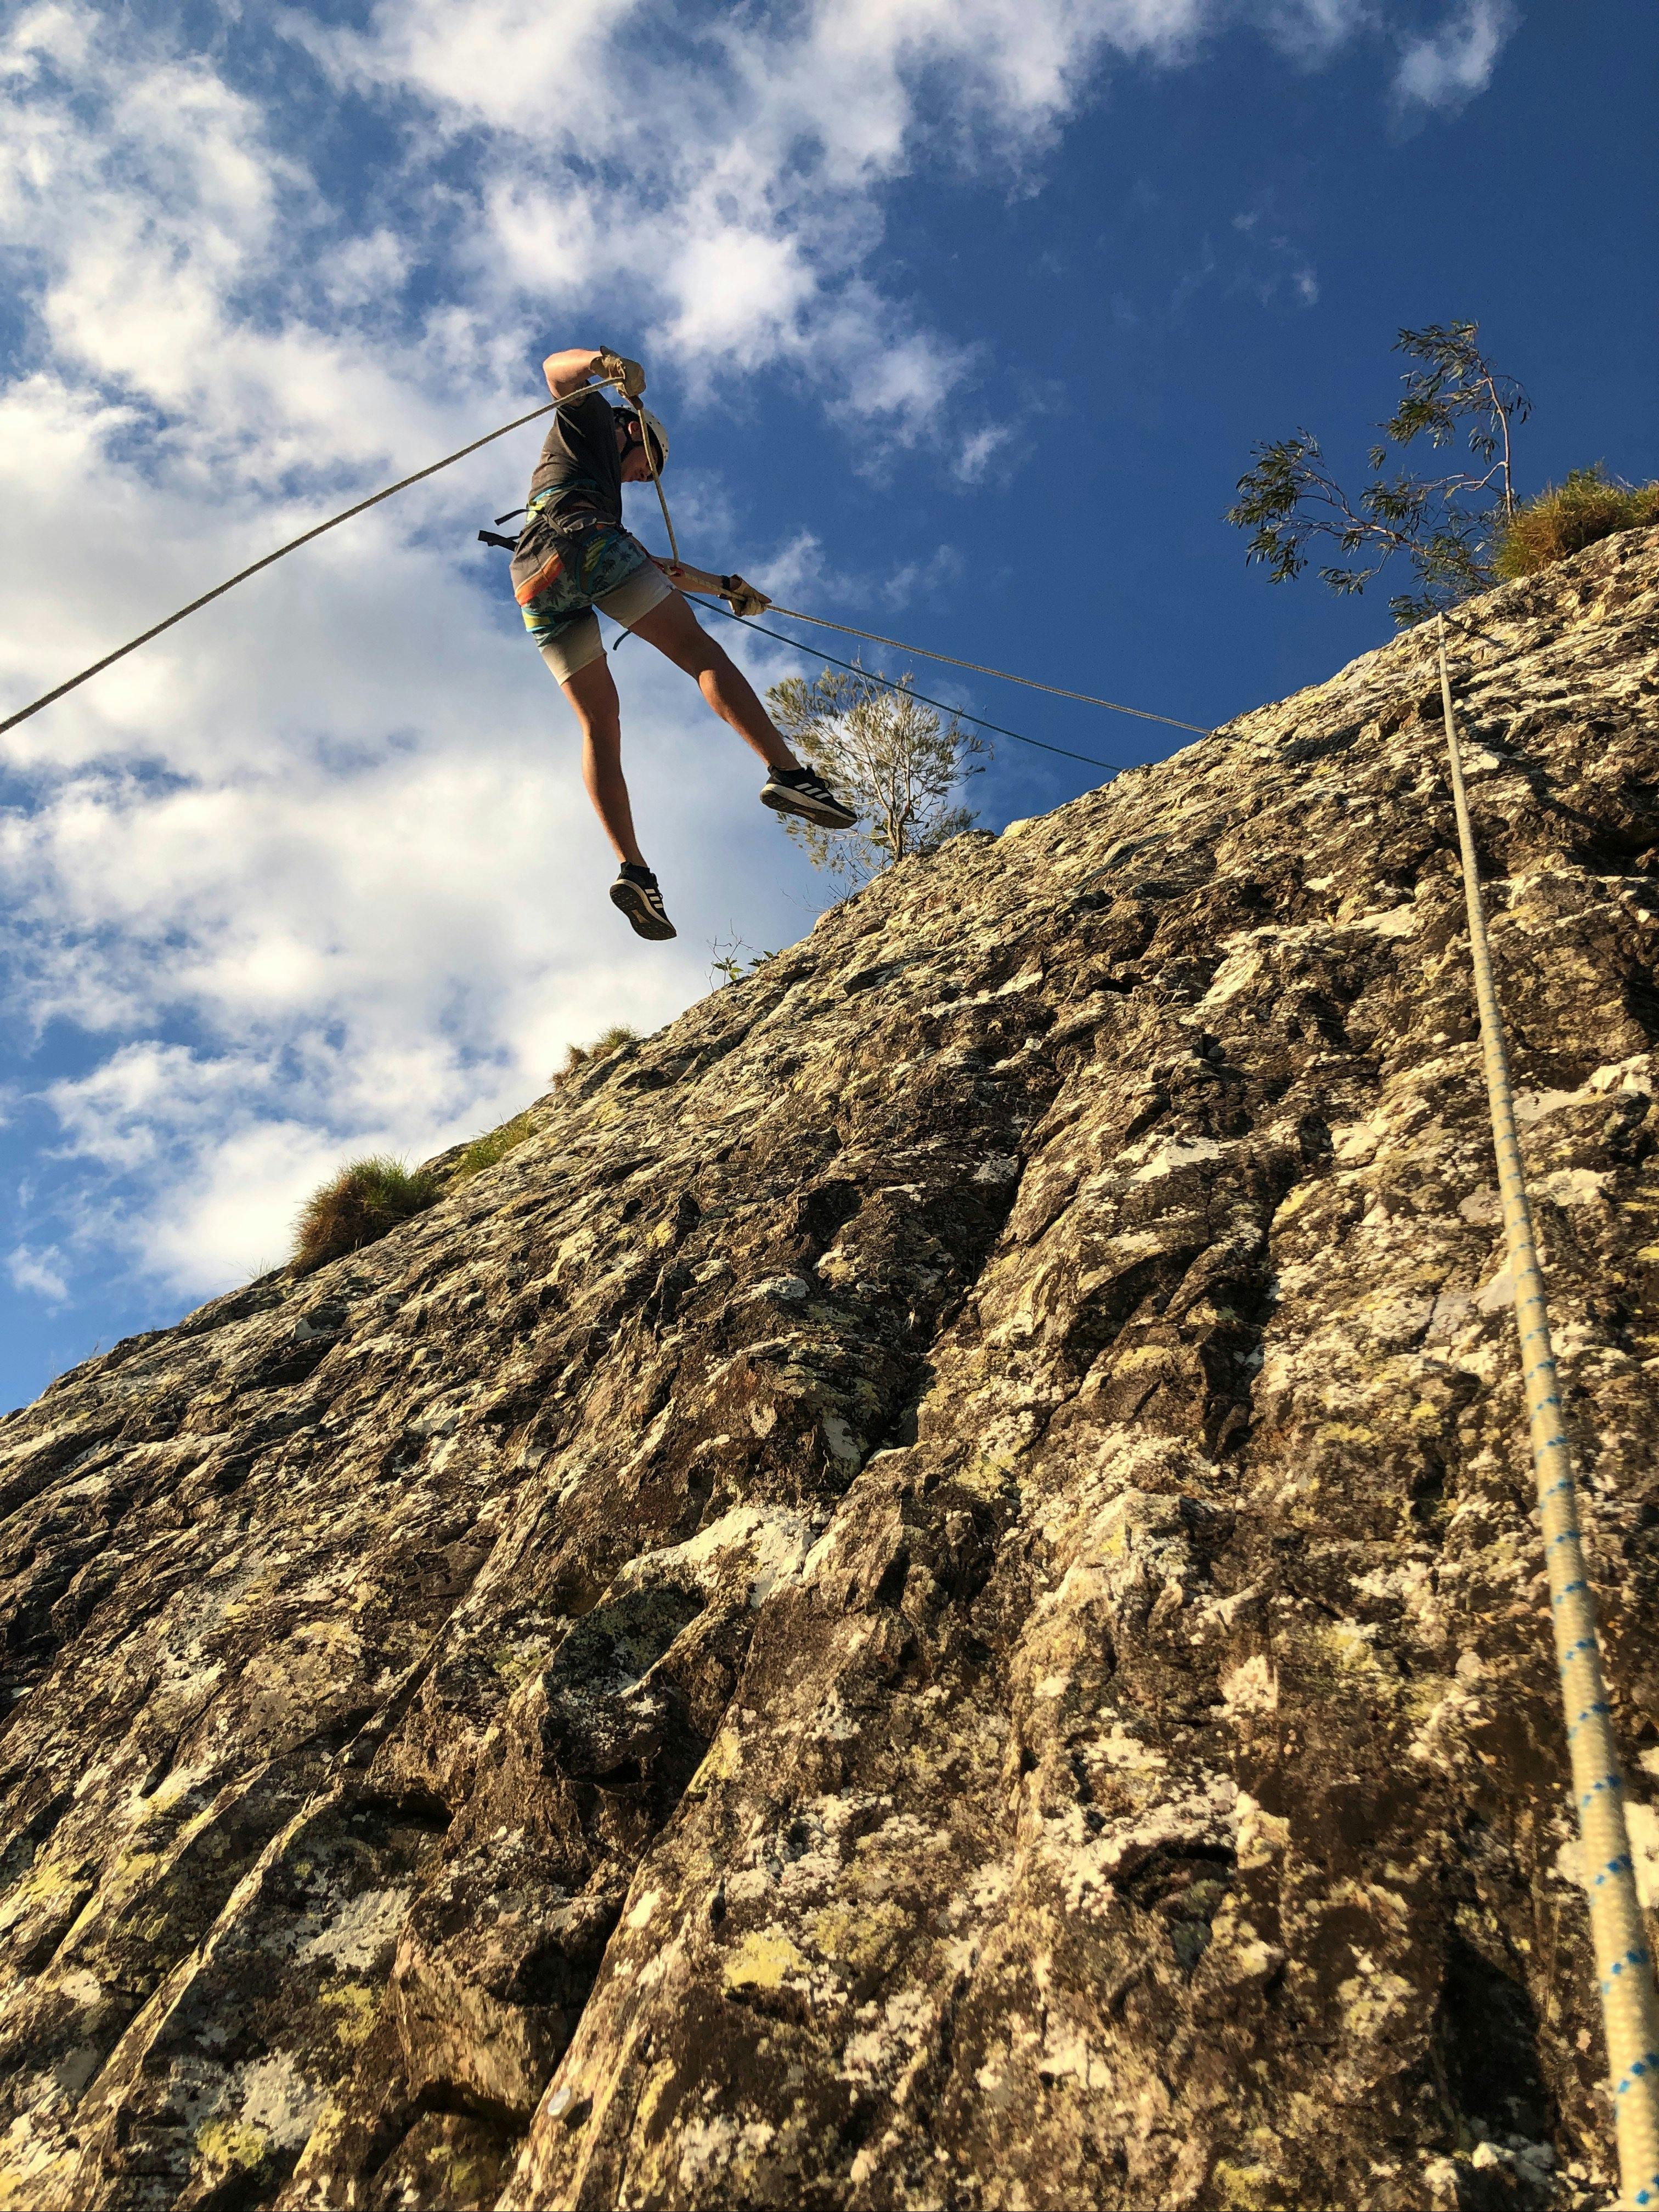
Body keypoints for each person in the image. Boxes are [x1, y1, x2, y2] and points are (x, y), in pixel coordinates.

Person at [510, 344, 857, 941]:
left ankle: (635, 871)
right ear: (629, 427)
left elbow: (650, 567)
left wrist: (725, 587)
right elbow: (554, 371)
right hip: (585, 539)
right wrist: (602, 362)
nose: (647, 476)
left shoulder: (587, 484)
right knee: (701, 656)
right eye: (651, 461)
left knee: (599, 725)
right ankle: (788, 773)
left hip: (534, 576)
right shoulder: (588, 421)